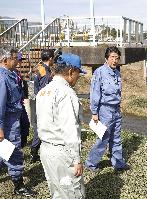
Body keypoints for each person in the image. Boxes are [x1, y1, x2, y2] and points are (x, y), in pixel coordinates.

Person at [36, 53, 86, 198]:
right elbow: (70, 129)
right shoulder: (66, 93)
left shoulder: (43, 91)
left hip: (46, 150)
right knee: (73, 193)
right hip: (63, 153)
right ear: (71, 72)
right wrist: (77, 159)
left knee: (57, 191)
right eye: (78, 74)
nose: (78, 78)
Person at [85, 46, 131, 172]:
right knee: (103, 138)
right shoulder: (99, 72)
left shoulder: (117, 73)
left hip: (116, 109)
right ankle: (91, 163)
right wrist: (94, 112)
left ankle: (118, 163)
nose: (115, 60)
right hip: (104, 110)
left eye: (117, 58)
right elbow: (95, 93)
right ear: (106, 58)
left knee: (116, 138)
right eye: (112, 57)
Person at [0, 46, 35, 197]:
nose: (17, 61)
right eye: (14, 59)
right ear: (5, 60)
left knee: (4, 151)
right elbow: (0, 105)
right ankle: (18, 184)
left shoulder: (11, 74)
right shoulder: (2, 78)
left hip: (15, 118)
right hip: (8, 121)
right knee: (14, 153)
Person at [30, 49, 55, 163]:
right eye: (53, 58)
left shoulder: (38, 67)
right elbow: (44, 91)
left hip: (34, 100)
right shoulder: (44, 71)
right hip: (40, 102)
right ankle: (34, 152)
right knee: (41, 128)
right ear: (50, 58)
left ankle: (34, 151)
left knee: (38, 127)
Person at [14, 52, 30, 148]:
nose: (20, 62)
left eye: (20, 60)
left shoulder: (17, 73)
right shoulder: (9, 74)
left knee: (25, 126)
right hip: (15, 106)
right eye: (18, 60)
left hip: (20, 103)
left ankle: (21, 146)